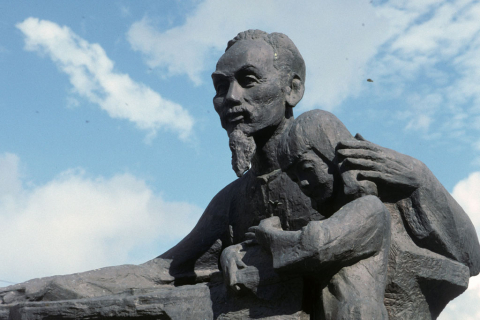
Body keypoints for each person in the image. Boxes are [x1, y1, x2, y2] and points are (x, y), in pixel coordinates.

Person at [1, 30, 479, 319]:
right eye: (220, 85)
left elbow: (387, 220)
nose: (230, 97)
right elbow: (161, 270)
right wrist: (46, 284)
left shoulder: (314, 128)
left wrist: (421, 179)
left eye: (248, 80)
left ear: (293, 88)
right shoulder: (235, 197)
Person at [226, 109, 391, 319]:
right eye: (294, 178)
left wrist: (268, 234)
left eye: (307, 168)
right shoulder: (335, 219)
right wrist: (234, 251)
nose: (302, 183)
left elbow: (315, 246)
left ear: (333, 156)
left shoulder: (369, 208)